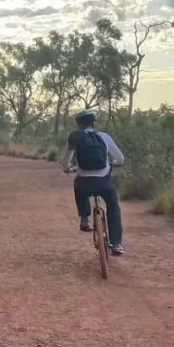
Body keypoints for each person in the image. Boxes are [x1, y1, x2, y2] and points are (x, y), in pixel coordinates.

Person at [60, 109, 126, 255]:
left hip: (84, 182)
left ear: (78, 123)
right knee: (113, 206)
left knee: (78, 186)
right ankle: (116, 244)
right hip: (104, 183)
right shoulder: (104, 136)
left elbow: (66, 161)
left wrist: (68, 169)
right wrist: (113, 164)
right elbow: (120, 158)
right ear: (92, 122)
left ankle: (84, 218)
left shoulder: (75, 136)